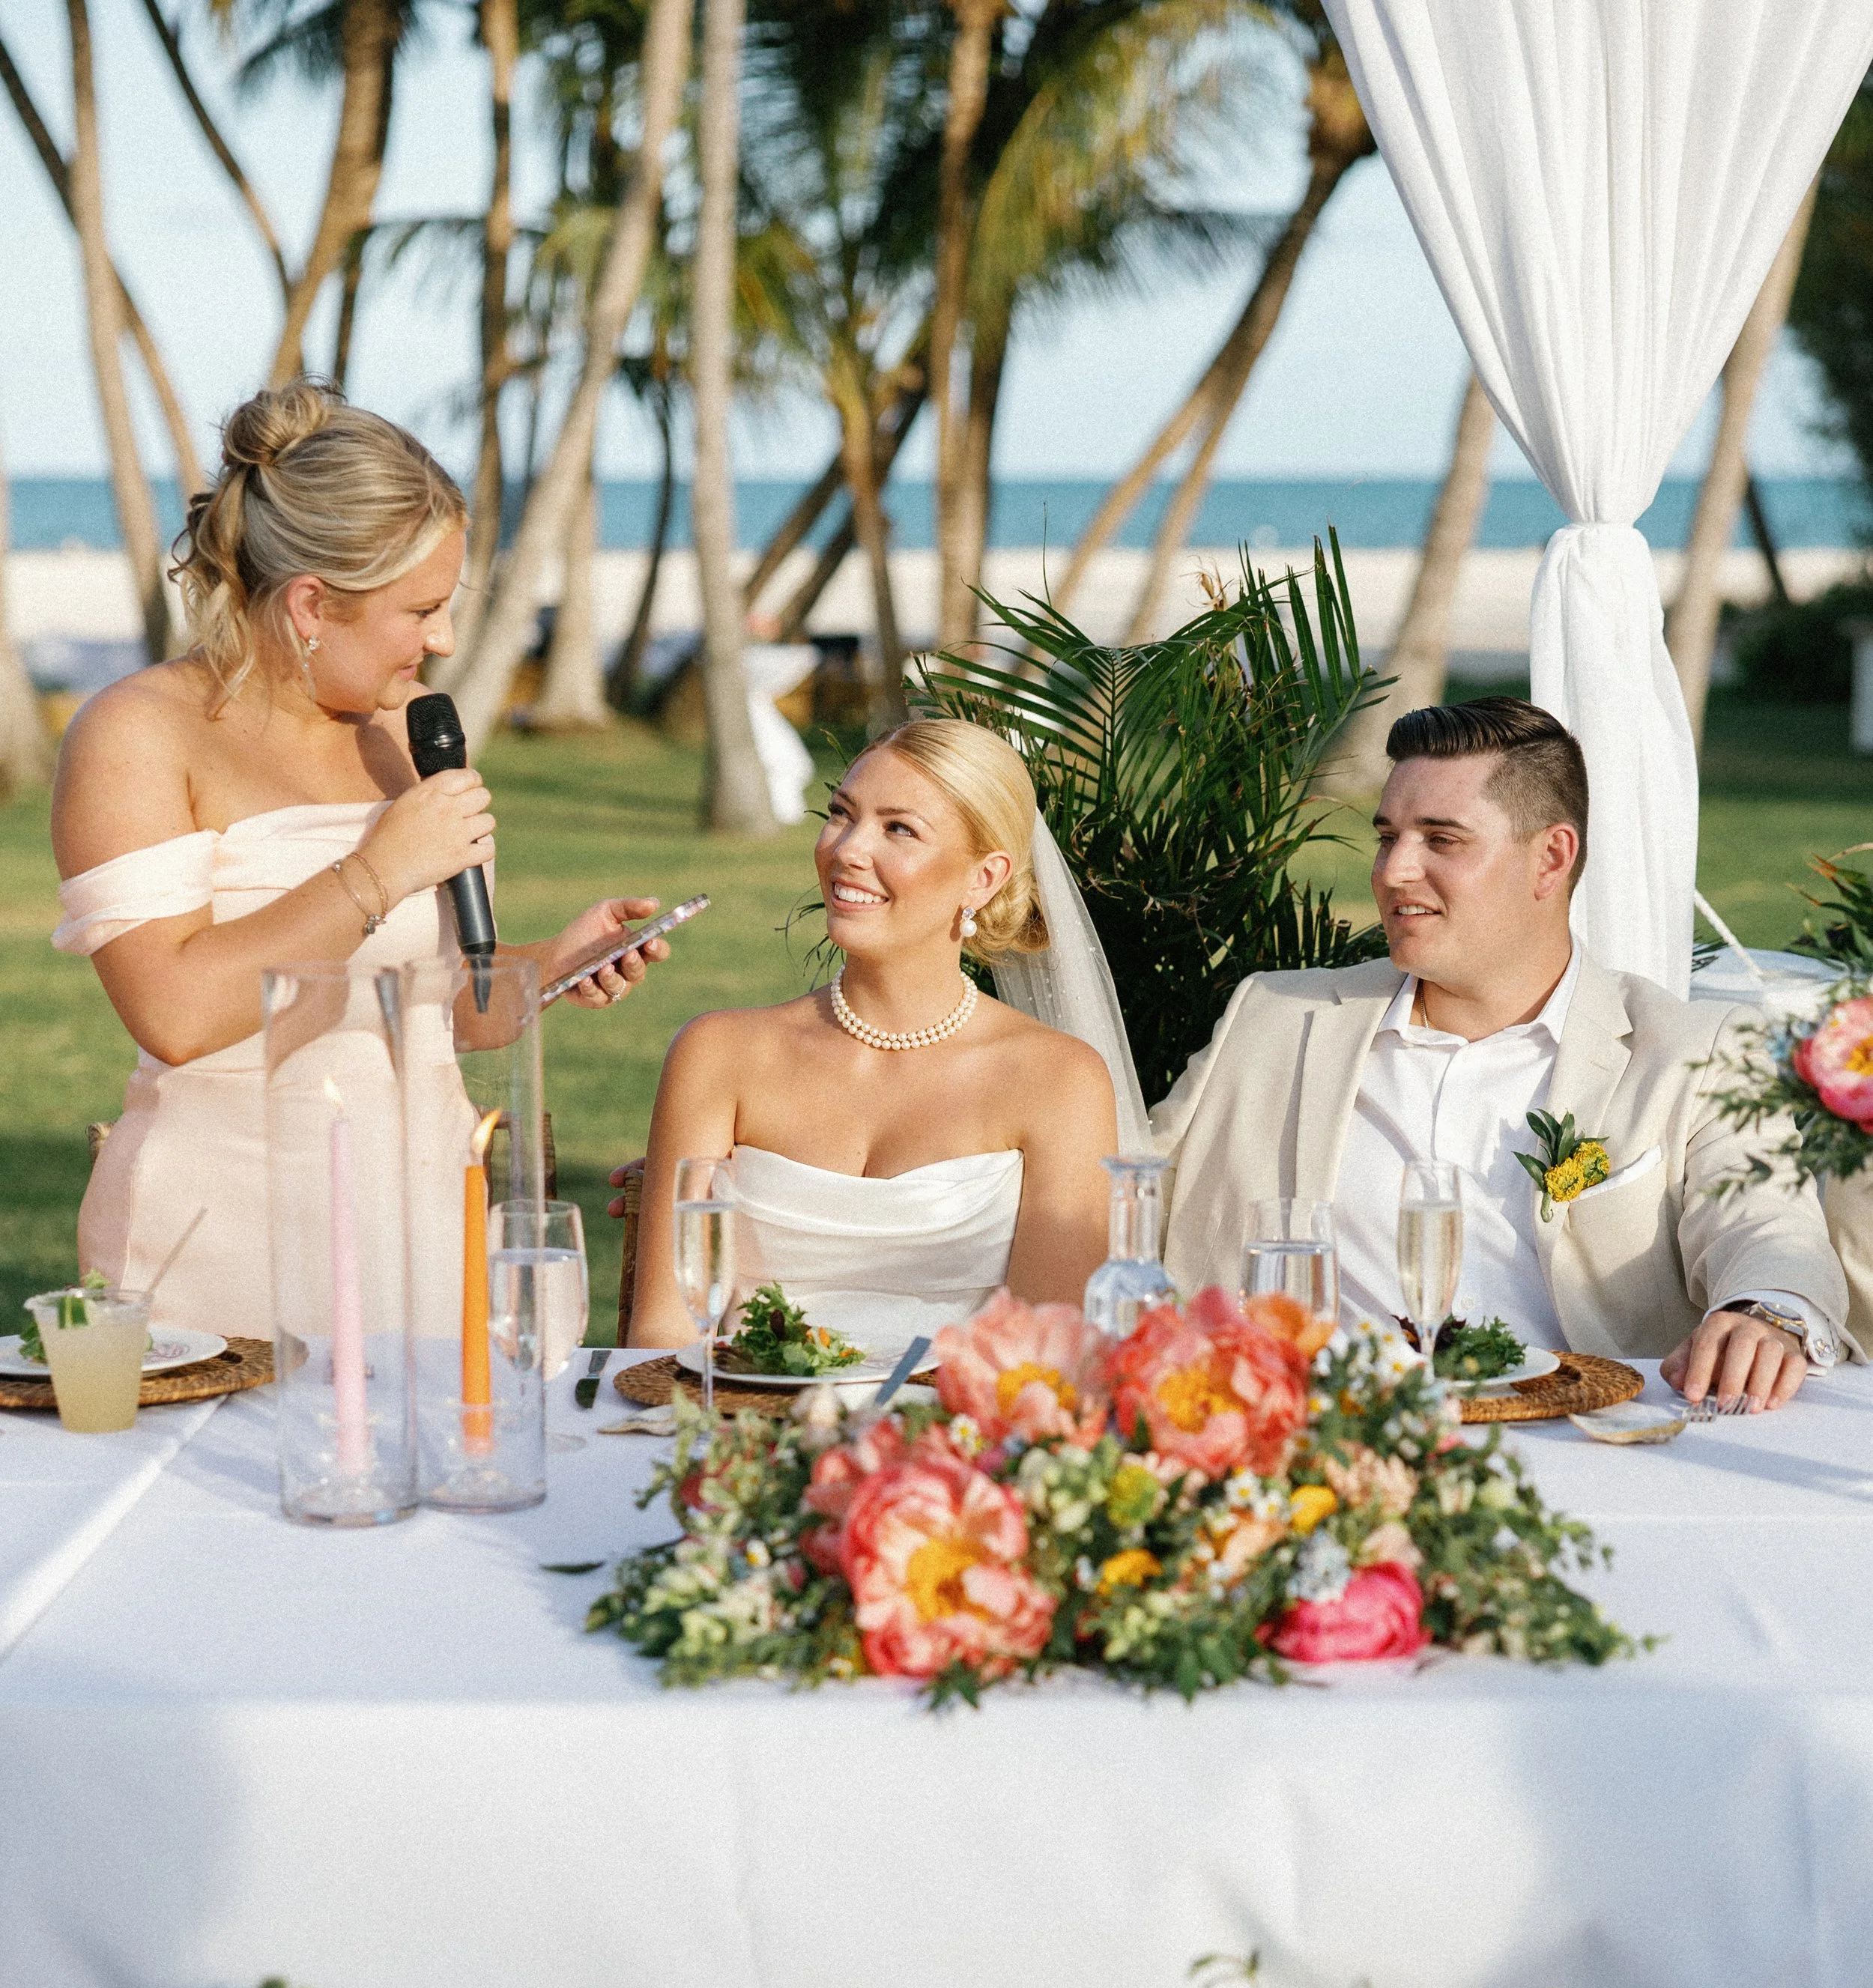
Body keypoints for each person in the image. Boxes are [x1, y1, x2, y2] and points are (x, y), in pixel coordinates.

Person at [51, 383, 670, 1337]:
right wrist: (380, 870)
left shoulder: (404, 731)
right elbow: (172, 1013)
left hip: (428, 1235)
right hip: (222, 1251)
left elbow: (440, 1009)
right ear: (312, 604)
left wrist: (551, 964)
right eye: (420, 609)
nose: (445, 639)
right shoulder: (139, 732)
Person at [1152, 698, 1851, 1410]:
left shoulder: (1690, 1053)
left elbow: (1771, 1229)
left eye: (1441, 840)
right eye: (1388, 836)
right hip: (1308, 1451)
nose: (1394, 872)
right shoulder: (1274, 1017)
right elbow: (1123, 1192)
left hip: (1588, 1453)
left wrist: (1766, 1315)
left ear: (1551, 857)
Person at [624, 718, 1118, 1354]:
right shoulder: (718, 1055)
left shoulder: (1057, 1081)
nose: (847, 850)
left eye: (899, 829)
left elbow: (1045, 1361)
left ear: (983, 878)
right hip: (734, 1434)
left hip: (953, 1444)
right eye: (841, 814)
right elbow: (661, 1338)